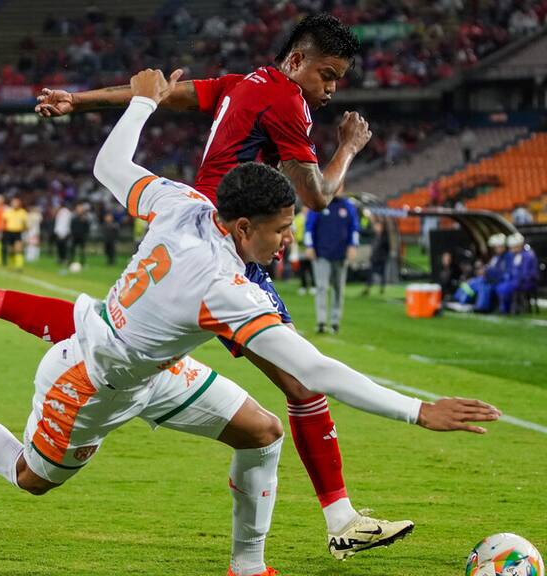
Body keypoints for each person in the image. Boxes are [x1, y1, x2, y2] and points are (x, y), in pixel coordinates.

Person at [0, 71, 500, 576]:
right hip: (87, 387)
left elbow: (110, 163)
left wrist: (142, 100)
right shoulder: (225, 288)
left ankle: (248, 566)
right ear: (242, 228)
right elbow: (315, 369)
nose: (288, 240)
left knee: (262, 432)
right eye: (279, 230)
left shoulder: (183, 201)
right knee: (31, 478)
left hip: (153, 368)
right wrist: (419, 412)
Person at [35, 15, 392, 558]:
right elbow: (317, 195)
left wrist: (78, 100)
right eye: (327, 74)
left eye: (338, 78)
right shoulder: (288, 101)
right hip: (223, 253)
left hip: (194, 230)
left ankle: (336, 519)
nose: (330, 88)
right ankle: (332, 523)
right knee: (302, 382)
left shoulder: (241, 83)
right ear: (296, 62)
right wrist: (349, 148)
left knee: (294, 385)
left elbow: (162, 94)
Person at [304, 193, 359, 334]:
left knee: (338, 288)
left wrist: (353, 245)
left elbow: (354, 227)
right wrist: (309, 246)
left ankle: (335, 322)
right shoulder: (319, 204)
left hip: (340, 254)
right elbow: (309, 226)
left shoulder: (348, 206)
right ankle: (321, 321)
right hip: (321, 253)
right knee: (322, 287)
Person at [496, 233, 539, 314]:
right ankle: (506, 308)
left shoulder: (527, 255)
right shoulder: (517, 255)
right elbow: (512, 270)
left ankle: (507, 309)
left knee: (504, 288)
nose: (512, 250)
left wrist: (516, 281)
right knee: (501, 286)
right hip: (517, 281)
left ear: (519, 245)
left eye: (513, 247)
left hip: (527, 282)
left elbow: (525, 273)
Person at [361, 219, 390, 296]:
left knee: (382, 274)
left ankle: (382, 288)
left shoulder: (385, 237)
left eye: (378, 226)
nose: (376, 228)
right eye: (375, 226)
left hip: (381, 259)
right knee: (370, 274)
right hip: (374, 258)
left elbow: (387, 248)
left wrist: (384, 257)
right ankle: (367, 289)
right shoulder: (374, 235)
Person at [2, 197, 28, 270]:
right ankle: (11, 264)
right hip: (9, 232)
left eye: (16, 203)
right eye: (13, 203)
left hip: (18, 232)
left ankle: (19, 266)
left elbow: (25, 224)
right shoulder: (8, 212)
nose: (15, 204)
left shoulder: (23, 212)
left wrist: (25, 229)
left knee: (18, 249)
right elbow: (4, 222)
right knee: (10, 250)